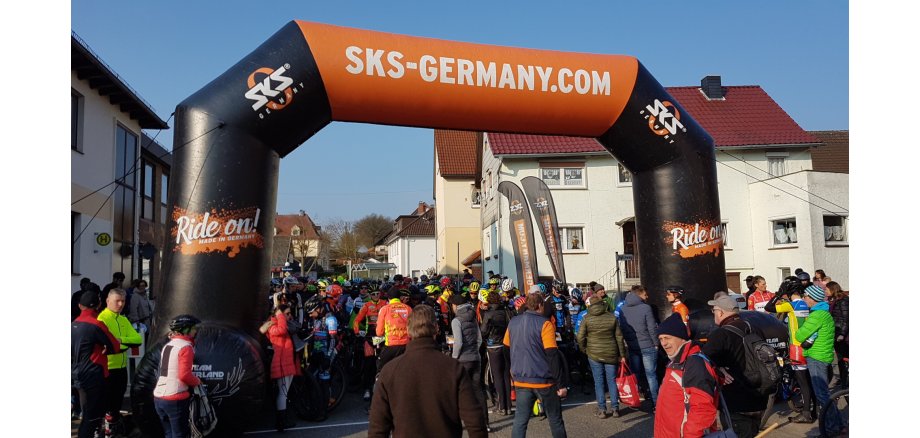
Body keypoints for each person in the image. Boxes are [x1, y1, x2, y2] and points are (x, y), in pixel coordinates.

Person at [368, 305, 488, 437]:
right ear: (436, 329)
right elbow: (475, 420)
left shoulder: (390, 371)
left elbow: (377, 428)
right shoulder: (453, 368)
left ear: (408, 330)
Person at [703, 294, 769, 438]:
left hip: (735, 402)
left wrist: (719, 370)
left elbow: (703, 360)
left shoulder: (720, 334)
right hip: (759, 397)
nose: (713, 313)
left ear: (720, 312)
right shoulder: (754, 328)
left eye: (713, 310)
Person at [504, 293, 568, 438]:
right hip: (543, 380)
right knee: (555, 419)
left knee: (520, 420)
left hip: (520, 378)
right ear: (540, 306)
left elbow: (505, 348)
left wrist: (512, 370)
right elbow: (552, 355)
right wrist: (561, 384)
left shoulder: (513, 322)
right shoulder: (545, 324)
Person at [654, 313, 720, 438]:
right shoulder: (675, 362)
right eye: (661, 339)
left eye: (667, 338)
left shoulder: (694, 363)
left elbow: (703, 409)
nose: (664, 343)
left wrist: (691, 435)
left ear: (681, 337)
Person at [72, 291, 119, 438]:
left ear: (80, 306)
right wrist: (106, 349)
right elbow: (115, 345)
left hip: (77, 374)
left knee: (87, 414)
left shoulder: (72, 324)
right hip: (94, 374)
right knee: (92, 417)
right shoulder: (96, 324)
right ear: (99, 305)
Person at [766, 283, 815, 423]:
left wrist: (777, 295)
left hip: (796, 346)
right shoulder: (805, 304)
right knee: (807, 380)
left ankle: (806, 413)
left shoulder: (791, 305)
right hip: (807, 344)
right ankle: (811, 410)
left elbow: (769, 308)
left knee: (802, 381)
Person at [795, 285, 838, 434]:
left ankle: (832, 429)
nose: (804, 298)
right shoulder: (823, 312)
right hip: (821, 355)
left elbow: (799, 335)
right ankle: (837, 425)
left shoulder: (817, 315)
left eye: (806, 296)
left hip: (816, 357)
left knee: (822, 394)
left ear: (813, 299)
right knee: (824, 393)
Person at [97, 289, 142, 428]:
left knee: (117, 403)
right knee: (106, 405)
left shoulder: (123, 319)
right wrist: (123, 345)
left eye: (123, 301)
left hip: (121, 369)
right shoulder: (102, 319)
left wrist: (120, 340)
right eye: (117, 301)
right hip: (107, 369)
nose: (121, 304)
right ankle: (104, 431)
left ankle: (113, 429)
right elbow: (107, 346)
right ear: (107, 301)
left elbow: (138, 339)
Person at [153, 314, 203, 438]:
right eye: (193, 328)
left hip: (159, 397)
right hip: (175, 398)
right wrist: (197, 381)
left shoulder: (168, 345)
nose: (195, 331)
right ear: (185, 329)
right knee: (180, 434)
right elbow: (184, 375)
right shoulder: (186, 347)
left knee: (169, 433)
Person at [577, 296, 628, 419]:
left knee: (598, 381)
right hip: (611, 353)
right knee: (611, 380)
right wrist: (622, 355)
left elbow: (580, 337)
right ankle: (615, 408)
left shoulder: (586, 318)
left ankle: (602, 409)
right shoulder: (612, 317)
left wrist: (584, 350)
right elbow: (619, 337)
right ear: (602, 304)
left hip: (593, 353)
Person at [450, 293, 489, 429]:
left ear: (455, 306)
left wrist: (454, 358)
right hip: (475, 358)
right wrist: (475, 351)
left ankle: (458, 423)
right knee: (478, 390)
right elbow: (479, 339)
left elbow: (458, 342)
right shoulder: (473, 317)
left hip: (462, 360)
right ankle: (485, 423)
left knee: (458, 392)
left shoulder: (456, 321)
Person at [619, 285, 660, 405]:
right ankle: (655, 403)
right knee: (651, 375)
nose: (647, 297)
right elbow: (652, 327)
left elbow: (623, 328)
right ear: (639, 294)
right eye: (645, 294)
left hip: (633, 346)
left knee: (636, 373)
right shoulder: (646, 308)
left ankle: (635, 399)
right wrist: (656, 343)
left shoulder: (623, 309)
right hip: (647, 344)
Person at [265, 304, 300, 430]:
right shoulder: (273, 324)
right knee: (283, 393)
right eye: (287, 313)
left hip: (287, 362)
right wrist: (280, 315)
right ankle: (281, 423)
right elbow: (281, 331)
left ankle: (283, 420)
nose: (289, 316)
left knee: (284, 393)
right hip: (281, 364)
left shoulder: (279, 323)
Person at [480, 292, 513, 416]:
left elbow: (483, 331)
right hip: (505, 344)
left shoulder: (488, 314)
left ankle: (501, 406)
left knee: (497, 376)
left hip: (493, 346)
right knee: (506, 376)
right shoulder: (505, 312)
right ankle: (508, 406)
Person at [353, 287, 384, 400]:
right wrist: (357, 332)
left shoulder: (385, 304)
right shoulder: (366, 306)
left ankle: (382, 388)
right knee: (368, 364)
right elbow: (356, 320)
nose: (376, 295)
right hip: (369, 338)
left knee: (382, 363)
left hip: (382, 337)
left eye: (377, 293)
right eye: (373, 294)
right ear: (370, 295)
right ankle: (367, 388)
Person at [375, 287, 413, 373]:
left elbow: (379, 332)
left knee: (381, 370)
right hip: (406, 346)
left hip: (391, 345)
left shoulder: (384, 309)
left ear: (388, 298)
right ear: (400, 297)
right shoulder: (408, 308)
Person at [826, 281, 848, 388]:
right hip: (836, 332)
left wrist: (842, 334)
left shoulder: (843, 301)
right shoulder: (833, 300)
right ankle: (844, 382)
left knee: (844, 358)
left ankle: (845, 381)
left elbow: (846, 318)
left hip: (843, 335)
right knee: (840, 359)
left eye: (827, 289)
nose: (825, 291)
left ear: (832, 289)